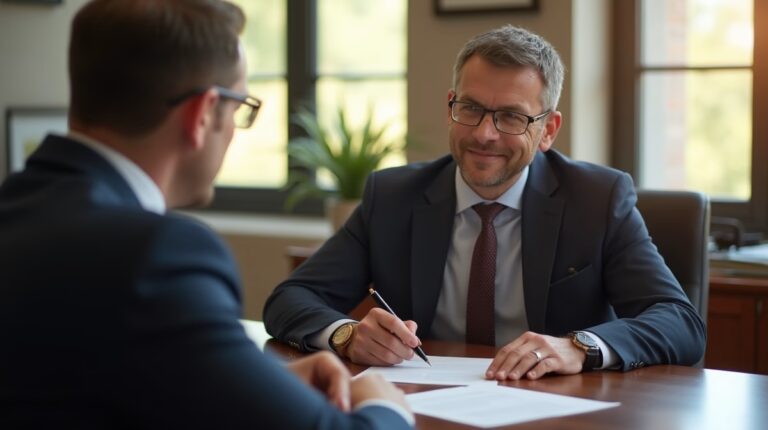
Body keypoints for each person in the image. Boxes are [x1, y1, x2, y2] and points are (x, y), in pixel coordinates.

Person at [0, 1, 413, 429]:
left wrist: (263, 383)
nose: (236, 127)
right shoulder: (158, 256)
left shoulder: (18, 205)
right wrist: (386, 407)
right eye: (241, 108)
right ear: (202, 114)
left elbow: (80, 379)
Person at [263, 24, 706, 381]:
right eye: (471, 108)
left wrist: (578, 347)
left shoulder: (598, 199)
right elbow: (290, 298)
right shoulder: (393, 197)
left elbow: (679, 322)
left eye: (511, 116)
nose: (484, 134)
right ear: (451, 105)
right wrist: (346, 334)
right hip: (427, 403)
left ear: (548, 130)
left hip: (560, 410)